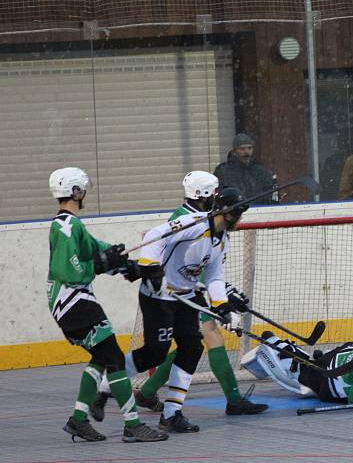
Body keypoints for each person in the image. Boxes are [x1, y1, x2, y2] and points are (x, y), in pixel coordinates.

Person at [121, 171, 267, 417]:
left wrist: (222, 297)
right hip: (172, 294)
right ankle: (232, 399)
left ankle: (148, 391)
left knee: (191, 345)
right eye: (215, 191)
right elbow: (177, 259)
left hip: (189, 292)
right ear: (206, 195)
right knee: (207, 339)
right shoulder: (190, 220)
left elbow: (208, 266)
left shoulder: (209, 222)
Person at [47, 167, 168, 443]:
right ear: (75, 192)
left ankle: (78, 421)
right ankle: (133, 425)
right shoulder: (65, 226)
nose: (84, 193)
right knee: (113, 357)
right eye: (82, 189)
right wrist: (101, 264)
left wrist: (131, 266)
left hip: (72, 303)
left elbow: (95, 249)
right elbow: (70, 272)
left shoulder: (72, 225)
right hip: (73, 303)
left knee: (102, 357)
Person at [213, 133, 279, 204]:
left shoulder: (261, 171)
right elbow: (217, 195)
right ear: (234, 151)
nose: (246, 152)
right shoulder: (223, 171)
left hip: (259, 210)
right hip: (234, 212)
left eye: (249, 148)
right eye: (242, 148)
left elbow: (271, 195)